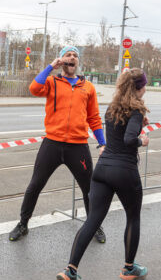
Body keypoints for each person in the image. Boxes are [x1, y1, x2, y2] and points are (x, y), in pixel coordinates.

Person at [56, 68, 150, 280]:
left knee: (93, 220)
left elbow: (118, 134)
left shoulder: (111, 108)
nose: (146, 89)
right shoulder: (135, 111)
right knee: (133, 218)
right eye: (145, 85)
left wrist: (139, 126)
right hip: (124, 171)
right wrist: (142, 140)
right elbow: (128, 139)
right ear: (139, 87)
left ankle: (71, 271)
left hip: (102, 170)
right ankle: (129, 268)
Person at [8, 46, 107, 243]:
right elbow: (34, 88)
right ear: (62, 60)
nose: (72, 58)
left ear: (78, 62)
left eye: (75, 55)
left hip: (78, 146)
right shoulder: (52, 81)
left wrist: (102, 143)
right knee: (35, 185)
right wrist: (50, 67)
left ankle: (94, 225)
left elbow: (94, 118)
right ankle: (23, 224)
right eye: (68, 55)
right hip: (52, 143)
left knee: (89, 189)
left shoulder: (88, 87)